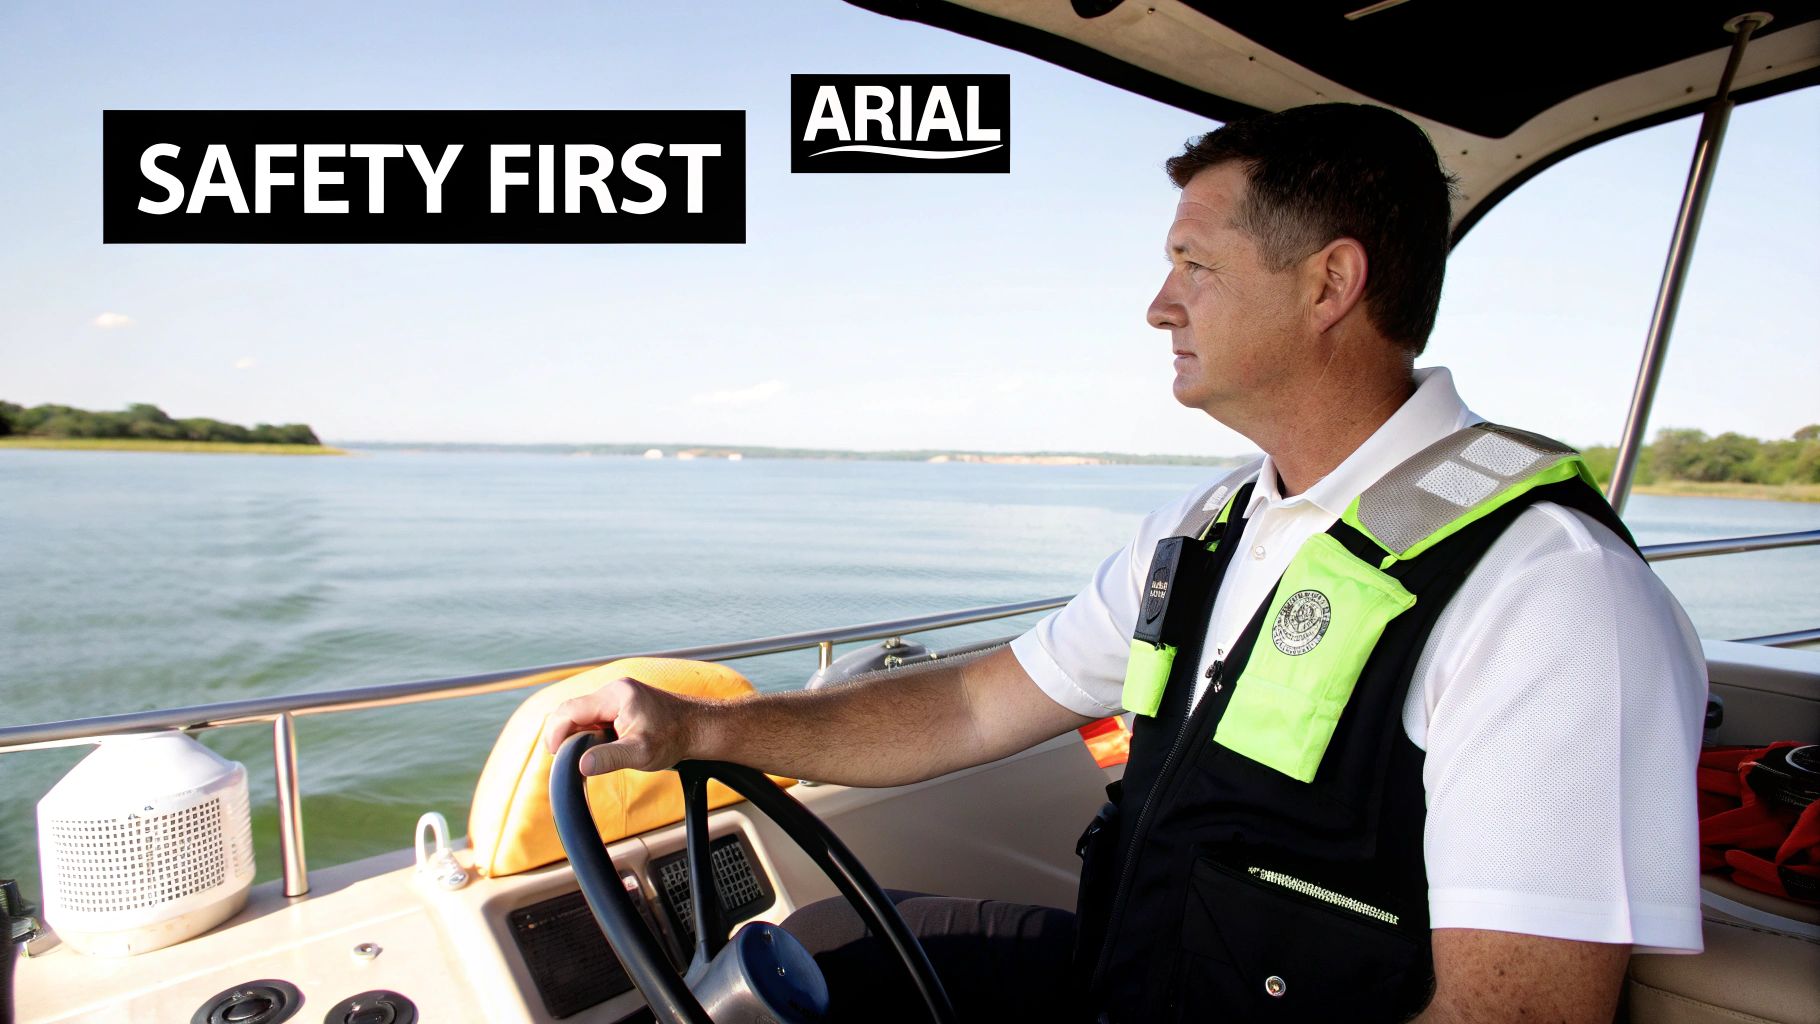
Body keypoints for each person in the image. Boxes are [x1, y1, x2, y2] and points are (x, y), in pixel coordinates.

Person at [544, 103, 1707, 1023]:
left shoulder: (1546, 595)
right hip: (1130, 978)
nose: (1159, 306)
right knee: (818, 954)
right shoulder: (1205, 531)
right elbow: (967, 701)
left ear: (1327, 285)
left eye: (1193, 265)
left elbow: (1515, 1013)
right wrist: (703, 730)